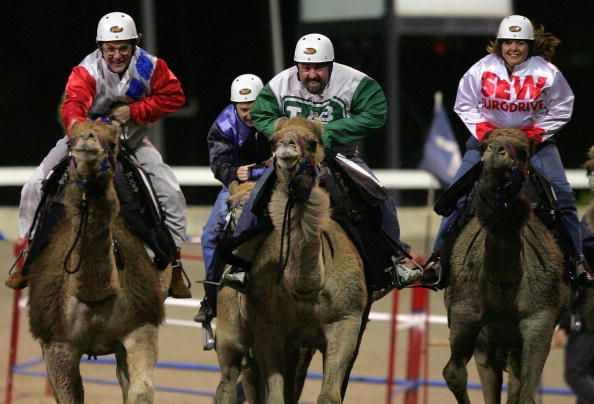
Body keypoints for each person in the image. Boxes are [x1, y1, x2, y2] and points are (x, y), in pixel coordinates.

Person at [397, 15, 594, 289]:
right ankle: (437, 259)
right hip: (486, 142)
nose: (514, 48)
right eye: (509, 42)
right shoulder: (480, 69)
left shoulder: (547, 73)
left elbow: (562, 107)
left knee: (563, 197)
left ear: (529, 45)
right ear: (501, 43)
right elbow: (465, 104)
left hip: (534, 146)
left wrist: (533, 134)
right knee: (455, 194)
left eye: (520, 43)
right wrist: (486, 131)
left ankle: (578, 261)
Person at [5, 11, 191, 298]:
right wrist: (83, 132)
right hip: (89, 142)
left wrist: (135, 111)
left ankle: (175, 264)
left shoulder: (152, 66)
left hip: (134, 141)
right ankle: (28, 257)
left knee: (170, 192)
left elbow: (175, 97)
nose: (116, 55)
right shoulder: (85, 70)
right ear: (100, 47)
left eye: (123, 48)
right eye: (110, 48)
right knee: (33, 185)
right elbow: (73, 105)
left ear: (134, 44)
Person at [219, 33, 413, 298]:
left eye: (318, 68)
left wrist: (325, 132)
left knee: (378, 193)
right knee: (256, 195)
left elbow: (375, 113)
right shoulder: (279, 84)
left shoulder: (356, 83)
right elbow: (262, 114)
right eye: (306, 68)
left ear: (330, 66)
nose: (312, 74)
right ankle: (240, 262)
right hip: (293, 159)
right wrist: (289, 131)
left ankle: (396, 261)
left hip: (339, 156)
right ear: (297, 65)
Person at [193, 74, 271, 323]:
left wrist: (260, 168)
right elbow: (219, 164)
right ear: (235, 106)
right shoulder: (224, 125)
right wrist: (232, 173)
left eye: (254, 108)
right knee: (211, 233)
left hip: (275, 181)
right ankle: (210, 296)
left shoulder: (277, 117)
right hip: (237, 185)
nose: (249, 115)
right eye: (243, 109)